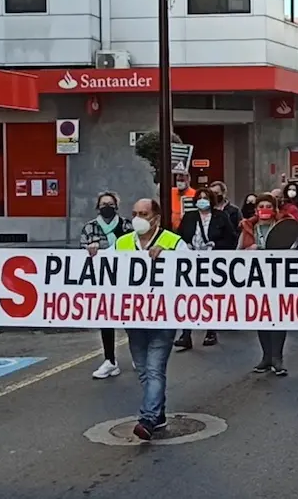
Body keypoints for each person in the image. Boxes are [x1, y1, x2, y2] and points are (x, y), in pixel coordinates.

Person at [114, 198, 189, 440]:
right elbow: (103, 268)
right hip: (133, 317)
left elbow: (193, 269)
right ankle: (159, 414)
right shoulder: (122, 242)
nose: (138, 218)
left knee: (155, 369)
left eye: (144, 214)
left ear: (156, 218)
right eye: (135, 213)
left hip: (163, 318)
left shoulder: (173, 242)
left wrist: (168, 256)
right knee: (144, 370)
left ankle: (147, 419)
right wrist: (93, 253)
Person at [174, 188, 237, 351]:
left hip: (213, 262)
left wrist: (215, 245)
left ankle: (211, 331)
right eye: (199, 198)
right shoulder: (190, 217)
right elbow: (180, 235)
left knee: (209, 296)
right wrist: (185, 245)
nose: (202, 200)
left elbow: (231, 239)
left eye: (206, 198)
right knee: (188, 296)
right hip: (191, 262)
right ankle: (186, 334)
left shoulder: (221, 217)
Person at [81, 191, 133, 379]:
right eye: (103, 204)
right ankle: (110, 360)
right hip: (102, 280)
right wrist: (89, 250)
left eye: (110, 204)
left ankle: (138, 355)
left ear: (116, 206)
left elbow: (135, 248)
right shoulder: (90, 228)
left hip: (125, 279)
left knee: (130, 318)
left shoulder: (127, 226)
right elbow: (80, 255)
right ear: (98, 207)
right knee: (106, 319)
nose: (107, 207)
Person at [238, 194, 292, 376]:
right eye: (262, 205)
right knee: (261, 317)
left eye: (269, 205)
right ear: (256, 210)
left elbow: (293, 249)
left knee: (278, 317)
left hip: (278, 278)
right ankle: (266, 357)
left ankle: (278, 358)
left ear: (275, 209)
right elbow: (236, 254)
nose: (265, 209)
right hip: (256, 279)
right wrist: (247, 251)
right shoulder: (248, 228)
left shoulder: (283, 227)